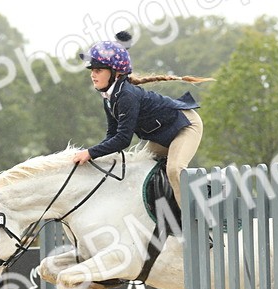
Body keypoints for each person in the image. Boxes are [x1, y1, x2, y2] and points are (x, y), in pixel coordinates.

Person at [71, 30, 212, 208]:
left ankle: (200, 215)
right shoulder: (109, 98)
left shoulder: (126, 96)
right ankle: (169, 211)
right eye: (92, 70)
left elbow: (123, 140)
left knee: (175, 169)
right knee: (141, 168)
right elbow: (112, 135)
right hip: (164, 134)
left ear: (115, 73)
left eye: (98, 70)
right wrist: (95, 158)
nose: (93, 74)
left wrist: (90, 153)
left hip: (185, 125)